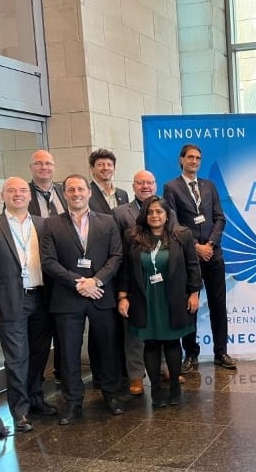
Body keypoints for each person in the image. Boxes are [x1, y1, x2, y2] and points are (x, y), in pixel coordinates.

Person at [40, 174, 124, 425]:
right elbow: (48, 261)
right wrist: (79, 282)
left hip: (101, 294)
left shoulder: (108, 221)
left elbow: (116, 256)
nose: (76, 193)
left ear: (89, 192)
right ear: (64, 194)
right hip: (67, 297)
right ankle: (73, 402)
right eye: (71, 190)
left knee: (108, 348)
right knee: (68, 353)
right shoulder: (51, 224)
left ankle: (111, 394)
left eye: (80, 189)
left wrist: (95, 281)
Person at [0, 177, 56, 432]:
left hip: (42, 297)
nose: (18, 194)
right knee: (17, 357)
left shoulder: (43, 224)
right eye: (11, 191)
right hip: (10, 300)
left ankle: (36, 399)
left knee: (40, 353)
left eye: (22, 190)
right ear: (3, 196)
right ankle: (20, 410)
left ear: (29, 196)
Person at [117, 196, 202, 408]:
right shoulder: (132, 236)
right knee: (151, 343)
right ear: (144, 215)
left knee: (172, 342)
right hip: (144, 297)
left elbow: (193, 266)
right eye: (150, 212)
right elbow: (125, 268)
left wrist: (194, 293)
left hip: (173, 297)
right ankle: (155, 390)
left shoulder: (182, 235)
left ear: (167, 215)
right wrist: (123, 297)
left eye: (159, 211)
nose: (154, 215)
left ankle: (174, 388)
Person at [163, 143, 237, 370]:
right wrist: (195, 246)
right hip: (189, 256)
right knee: (191, 306)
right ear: (181, 160)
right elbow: (172, 222)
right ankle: (191, 354)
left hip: (213, 254)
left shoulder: (209, 186)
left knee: (218, 305)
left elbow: (219, 218)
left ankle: (221, 352)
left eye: (197, 158)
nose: (194, 161)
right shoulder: (171, 187)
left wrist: (210, 244)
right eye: (190, 157)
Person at [86, 148, 129, 389]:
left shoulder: (122, 194)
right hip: (99, 266)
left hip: (120, 263)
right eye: (100, 165)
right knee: (99, 326)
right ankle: (100, 375)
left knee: (118, 321)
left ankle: (120, 370)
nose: (105, 168)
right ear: (92, 169)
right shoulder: (87, 194)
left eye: (109, 165)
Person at [113, 170, 158, 396]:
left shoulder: (166, 210)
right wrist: (123, 292)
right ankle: (136, 376)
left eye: (149, 182)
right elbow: (118, 251)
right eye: (140, 183)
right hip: (134, 280)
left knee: (162, 326)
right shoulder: (120, 213)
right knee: (134, 332)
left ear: (155, 185)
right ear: (133, 186)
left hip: (160, 281)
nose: (145, 186)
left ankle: (164, 368)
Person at [26, 149, 67, 385]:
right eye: (39, 163)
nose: (44, 167)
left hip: (64, 273)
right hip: (38, 273)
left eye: (48, 163)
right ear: (31, 167)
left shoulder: (64, 191)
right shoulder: (22, 193)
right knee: (40, 335)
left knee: (64, 330)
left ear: (54, 167)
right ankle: (36, 382)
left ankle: (62, 374)